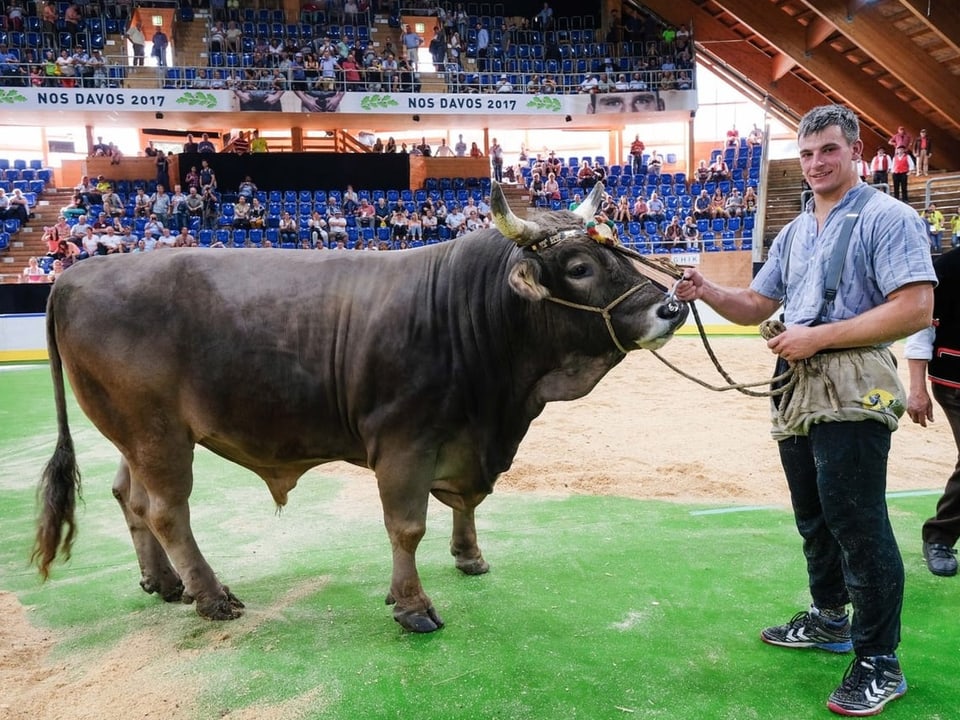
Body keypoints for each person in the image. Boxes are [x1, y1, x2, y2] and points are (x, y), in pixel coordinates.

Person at [673, 104, 936, 717]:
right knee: (814, 515)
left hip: (854, 378)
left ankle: (879, 661)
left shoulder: (888, 216)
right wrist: (709, 291)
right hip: (796, 380)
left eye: (829, 151)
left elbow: (915, 308)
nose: (816, 163)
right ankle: (828, 618)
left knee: (857, 519)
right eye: (808, 153)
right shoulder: (794, 230)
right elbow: (756, 302)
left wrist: (817, 336)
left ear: (855, 151)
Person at [905, 248, 960, 577]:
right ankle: (939, 536)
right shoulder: (949, 266)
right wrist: (916, 388)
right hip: (954, 380)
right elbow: (920, 326)